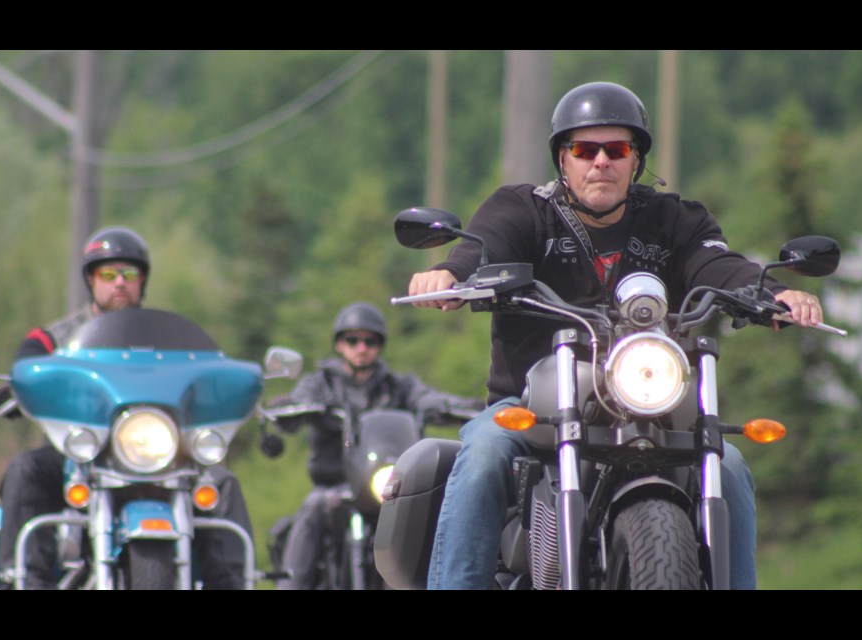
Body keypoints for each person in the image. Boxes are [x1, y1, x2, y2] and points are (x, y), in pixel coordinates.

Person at [407, 81, 827, 590]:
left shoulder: (675, 220)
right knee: (484, 452)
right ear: (563, 159)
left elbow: (718, 265)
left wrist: (772, 292)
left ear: (636, 160)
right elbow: (485, 249)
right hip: (532, 407)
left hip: (649, 406)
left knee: (730, 465)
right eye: (585, 149)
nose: (600, 162)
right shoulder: (523, 210)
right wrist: (452, 275)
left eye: (616, 149)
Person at [0, 226, 253, 589]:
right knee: (26, 470)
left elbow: (208, 369)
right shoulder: (54, 337)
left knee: (222, 484)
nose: (119, 283)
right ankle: (27, 581)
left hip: (161, 454)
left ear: (142, 281)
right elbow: (26, 367)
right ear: (91, 279)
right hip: (79, 456)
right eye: (108, 273)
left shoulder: (175, 339)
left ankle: (232, 584)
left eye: (129, 274)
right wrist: (16, 387)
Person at [273, 301, 483, 589]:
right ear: (339, 344)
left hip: (387, 486)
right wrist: (289, 408)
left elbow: (425, 398)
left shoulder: (397, 386)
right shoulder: (321, 384)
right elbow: (297, 403)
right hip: (337, 486)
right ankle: (290, 586)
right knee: (314, 506)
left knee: (431, 510)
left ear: (379, 346)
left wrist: (466, 407)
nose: (361, 347)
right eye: (352, 340)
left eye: (370, 341)